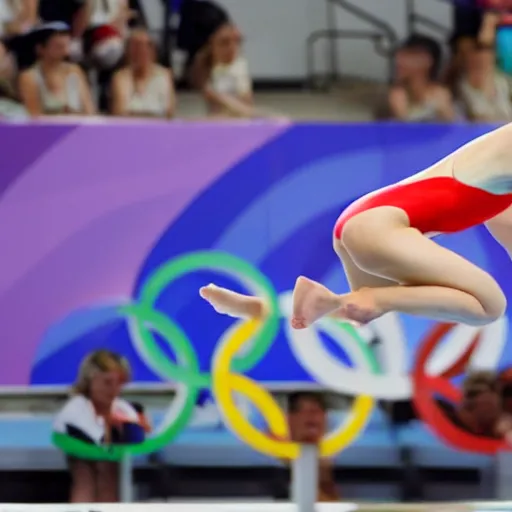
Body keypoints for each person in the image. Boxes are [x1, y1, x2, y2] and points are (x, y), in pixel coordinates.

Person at [200, 121, 512, 328]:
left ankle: (260, 310)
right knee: (489, 305)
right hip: (379, 226)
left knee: (353, 310)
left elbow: (503, 221)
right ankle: (371, 298)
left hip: (365, 220)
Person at [53, 350, 149, 502]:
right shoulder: (75, 410)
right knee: (85, 477)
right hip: (82, 447)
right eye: (107, 382)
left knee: (109, 476)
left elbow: (139, 437)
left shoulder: (122, 408)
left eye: (119, 383)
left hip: (107, 454)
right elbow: (97, 442)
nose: (114, 389)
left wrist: (134, 425)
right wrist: (112, 427)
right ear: (90, 380)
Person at [18, 23, 95, 116]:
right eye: (58, 47)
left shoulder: (75, 71)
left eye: (66, 46)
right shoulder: (29, 76)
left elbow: (89, 111)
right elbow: (34, 115)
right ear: (40, 48)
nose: (65, 52)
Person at [387, 35, 455, 122]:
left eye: (408, 56)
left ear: (428, 60)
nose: (399, 61)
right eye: (400, 55)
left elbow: (452, 126)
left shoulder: (440, 93)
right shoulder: (398, 94)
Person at [110, 28, 175, 118]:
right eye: (137, 46)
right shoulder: (121, 77)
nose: (142, 50)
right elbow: (120, 113)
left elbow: (169, 113)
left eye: (147, 45)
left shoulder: (164, 75)